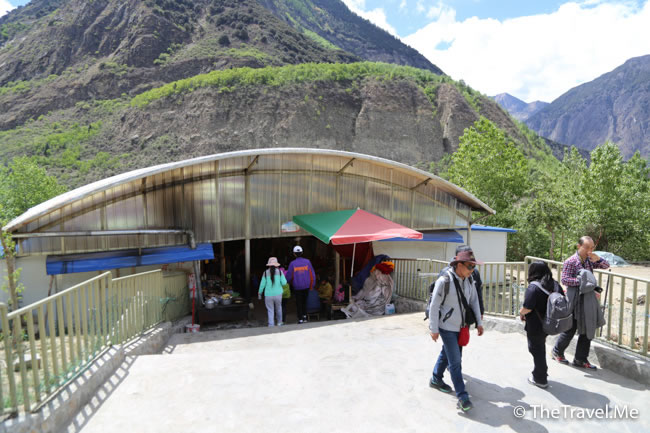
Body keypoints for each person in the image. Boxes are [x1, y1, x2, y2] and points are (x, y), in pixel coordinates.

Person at [428, 250, 484, 412]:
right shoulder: (444, 281)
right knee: (455, 362)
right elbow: (434, 306)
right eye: (469, 266)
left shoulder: (470, 280)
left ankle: (436, 379)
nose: (472, 270)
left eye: (474, 267)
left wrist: (479, 323)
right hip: (447, 327)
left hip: (462, 326)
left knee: (447, 353)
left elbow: (474, 301)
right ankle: (462, 396)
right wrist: (433, 328)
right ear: (459, 265)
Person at [552, 236, 609, 369]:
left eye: (592, 248)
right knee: (570, 328)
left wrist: (598, 259)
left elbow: (606, 266)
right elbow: (565, 279)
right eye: (587, 247)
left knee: (588, 328)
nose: (590, 250)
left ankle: (580, 359)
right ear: (579, 246)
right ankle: (557, 351)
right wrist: (584, 282)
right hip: (574, 300)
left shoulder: (590, 259)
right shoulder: (571, 261)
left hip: (587, 300)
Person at [519, 261, 562, 388]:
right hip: (550, 323)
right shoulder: (555, 284)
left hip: (536, 324)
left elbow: (527, 307)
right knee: (539, 347)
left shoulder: (533, 287)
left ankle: (540, 378)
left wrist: (521, 313)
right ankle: (541, 372)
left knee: (535, 349)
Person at [440, 245, 485, 318]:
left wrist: (480, 311)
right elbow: (436, 301)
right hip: (447, 319)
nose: (471, 269)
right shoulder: (445, 274)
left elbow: (478, 293)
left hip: (466, 315)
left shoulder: (474, 273)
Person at [286, 245, 316, 324]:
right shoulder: (307, 262)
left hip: (297, 287)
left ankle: (300, 319)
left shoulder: (292, 264)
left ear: (294, 254)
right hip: (306, 286)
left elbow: (289, 276)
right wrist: (312, 285)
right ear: (302, 252)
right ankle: (305, 317)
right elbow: (312, 274)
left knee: (298, 303)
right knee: (305, 302)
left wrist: (288, 282)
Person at [258, 257, 287, 327]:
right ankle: (279, 322)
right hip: (278, 294)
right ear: (276, 265)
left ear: (269, 265)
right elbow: (284, 283)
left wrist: (259, 293)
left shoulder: (265, 273)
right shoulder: (280, 272)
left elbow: (262, 285)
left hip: (268, 295)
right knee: (279, 308)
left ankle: (271, 324)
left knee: (270, 310)